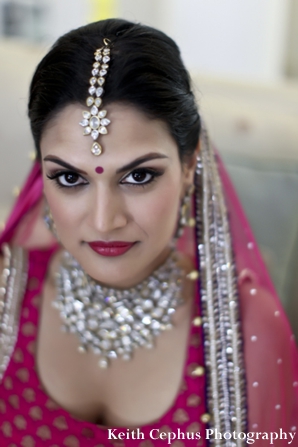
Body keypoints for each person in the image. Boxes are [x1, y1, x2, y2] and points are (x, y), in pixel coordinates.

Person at [0, 18, 297, 447]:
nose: (104, 220)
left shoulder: (247, 329)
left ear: (190, 164)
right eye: (69, 178)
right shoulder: (6, 292)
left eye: (138, 176)